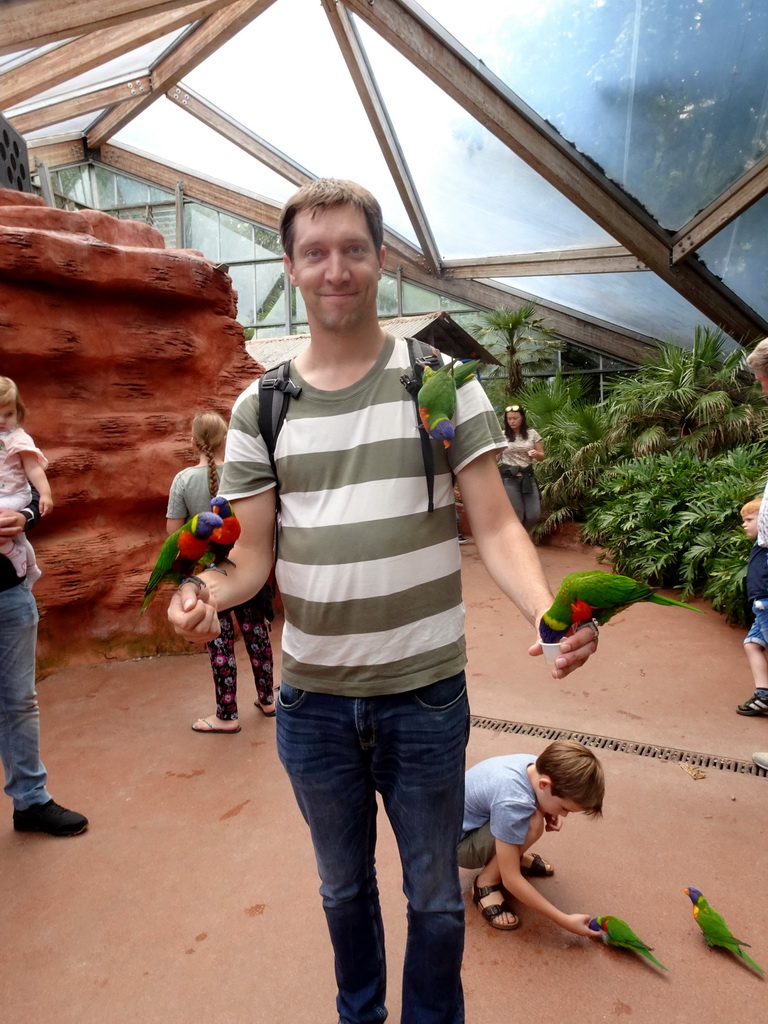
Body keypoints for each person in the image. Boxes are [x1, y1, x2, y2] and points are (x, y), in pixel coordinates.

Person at [167, 179, 598, 1024]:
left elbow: (498, 525)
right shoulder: (263, 407)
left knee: (436, 899)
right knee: (342, 890)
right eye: (316, 252)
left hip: (426, 699)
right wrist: (201, 593)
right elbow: (250, 559)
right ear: (290, 266)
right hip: (315, 704)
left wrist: (549, 615)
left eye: (353, 249)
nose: (336, 269)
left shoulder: (439, 385)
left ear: (381, 260)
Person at [165, 412, 275, 733]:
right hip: (242, 569)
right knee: (257, 634)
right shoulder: (242, 475)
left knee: (220, 641)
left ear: (193, 441)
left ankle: (227, 715)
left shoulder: (183, 481)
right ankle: (268, 699)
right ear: (226, 438)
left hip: (207, 576)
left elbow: (174, 535)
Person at [0, 487, 88, 836]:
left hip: (9, 592)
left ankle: (30, 801)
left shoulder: (9, 446)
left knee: (19, 702)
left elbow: (33, 492)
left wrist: (25, 516)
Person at [459, 740, 604, 935]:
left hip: (468, 821)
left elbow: (534, 796)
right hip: (460, 844)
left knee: (533, 814)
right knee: (532, 823)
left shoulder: (535, 765)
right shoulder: (513, 800)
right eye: (564, 808)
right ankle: (485, 883)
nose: (564, 815)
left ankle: (509, 856)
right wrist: (564, 920)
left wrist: (550, 809)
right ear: (545, 784)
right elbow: (511, 880)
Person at [0, 376, 53, 586]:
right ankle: (31, 568)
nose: (2, 420)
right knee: (19, 537)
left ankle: (13, 555)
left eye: (9, 414)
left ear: (18, 412)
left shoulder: (17, 438)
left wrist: (46, 493)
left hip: (14, 495)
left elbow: (33, 468)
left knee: (4, 523)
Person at [734, 498, 768, 716]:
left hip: (767, 603)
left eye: (749, 520)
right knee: (752, 645)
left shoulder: (766, 541)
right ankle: (763, 694)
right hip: (760, 607)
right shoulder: (759, 545)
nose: (744, 524)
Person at [498, 404, 544, 532]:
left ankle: (519, 538)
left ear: (522, 418)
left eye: (515, 418)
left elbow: (542, 456)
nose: (512, 421)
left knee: (533, 515)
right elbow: (495, 457)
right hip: (509, 478)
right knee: (517, 515)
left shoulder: (532, 433)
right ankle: (518, 544)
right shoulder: (502, 435)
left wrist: (536, 454)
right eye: (509, 419)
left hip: (527, 477)